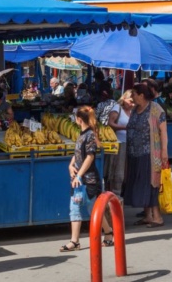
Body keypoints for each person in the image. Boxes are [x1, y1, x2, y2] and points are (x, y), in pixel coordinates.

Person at [60, 105, 112, 251]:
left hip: (88, 180)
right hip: (80, 179)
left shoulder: (89, 135)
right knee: (75, 208)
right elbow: (78, 153)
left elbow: (90, 156)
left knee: (93, 209)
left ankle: (108, 233)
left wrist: (79, 175)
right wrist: (71, 165)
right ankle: (75, 241)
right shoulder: (82, 134)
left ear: (78, 119)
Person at [124, 82, 168, 228]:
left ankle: (157, 217)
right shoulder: (136, 109)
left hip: (150, 154)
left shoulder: (155, 109)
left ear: (141, 95)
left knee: (150, 184)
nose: (131, 97)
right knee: (139, 184)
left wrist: (164, 151)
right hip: (134, 154)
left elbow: (163, 132)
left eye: (134, 94)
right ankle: (148, 215)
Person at [104, 89, 131, 199]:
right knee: (118, 171)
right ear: (124, 99)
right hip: (119, 143)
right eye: (130, 101)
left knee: (126, 170)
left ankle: (124, 193)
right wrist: (125, 128)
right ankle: (116, 194)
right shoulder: (117, 109)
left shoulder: (134, 110)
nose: (132, 104)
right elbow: (110, 123)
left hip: (131, 143)